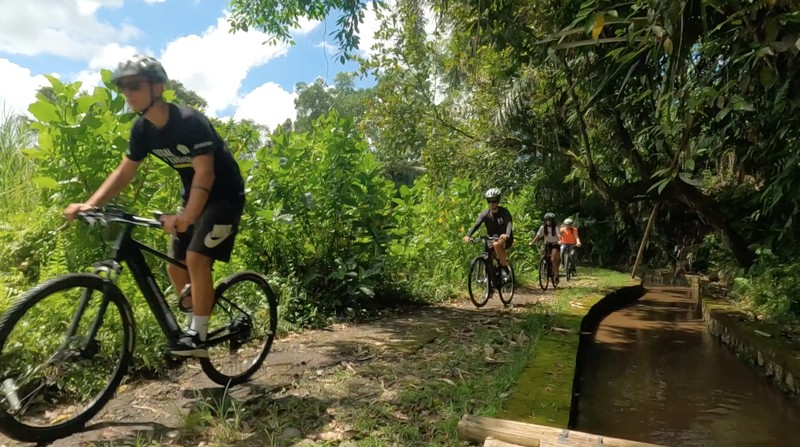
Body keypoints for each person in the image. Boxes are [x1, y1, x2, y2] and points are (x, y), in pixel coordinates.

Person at [63, 55, 246, 358]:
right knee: (175, 265)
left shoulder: (190, 122)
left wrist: (188, 216)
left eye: (134, 86)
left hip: (225, 195)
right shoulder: (142, 131)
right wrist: (90, 203)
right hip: (195, 195)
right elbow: (125, 172)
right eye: (123, 88)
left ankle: (198, 336)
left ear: (157, 87)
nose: (128, 94)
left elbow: (206, 173)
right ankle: (195, 318)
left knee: (196, 258)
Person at [463, 188, 514, 280]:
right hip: (491, 238)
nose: (491, 204)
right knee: (488, 257)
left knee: (497, 244)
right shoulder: (485, 214)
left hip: (504, 238)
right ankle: (489, 285)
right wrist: (468, 235)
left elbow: (509, 224)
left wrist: (507, 234)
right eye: (489, 201)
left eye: (493, 201)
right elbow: (476, 225)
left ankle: (504, 267)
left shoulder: (504, 212)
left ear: (498, 201)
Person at [530, 212, 560, 283]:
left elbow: (558, 235)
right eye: (547, 220)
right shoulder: (542, 227)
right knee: (542, 252)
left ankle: (556, 274)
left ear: (552, 221)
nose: (548, 222)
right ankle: (543, 266)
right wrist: (532, 242)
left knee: (553, 259)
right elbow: (538, 236)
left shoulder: (555, 227)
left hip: (555, 244)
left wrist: (560, 241)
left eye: (550, 220)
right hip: (546, 244)